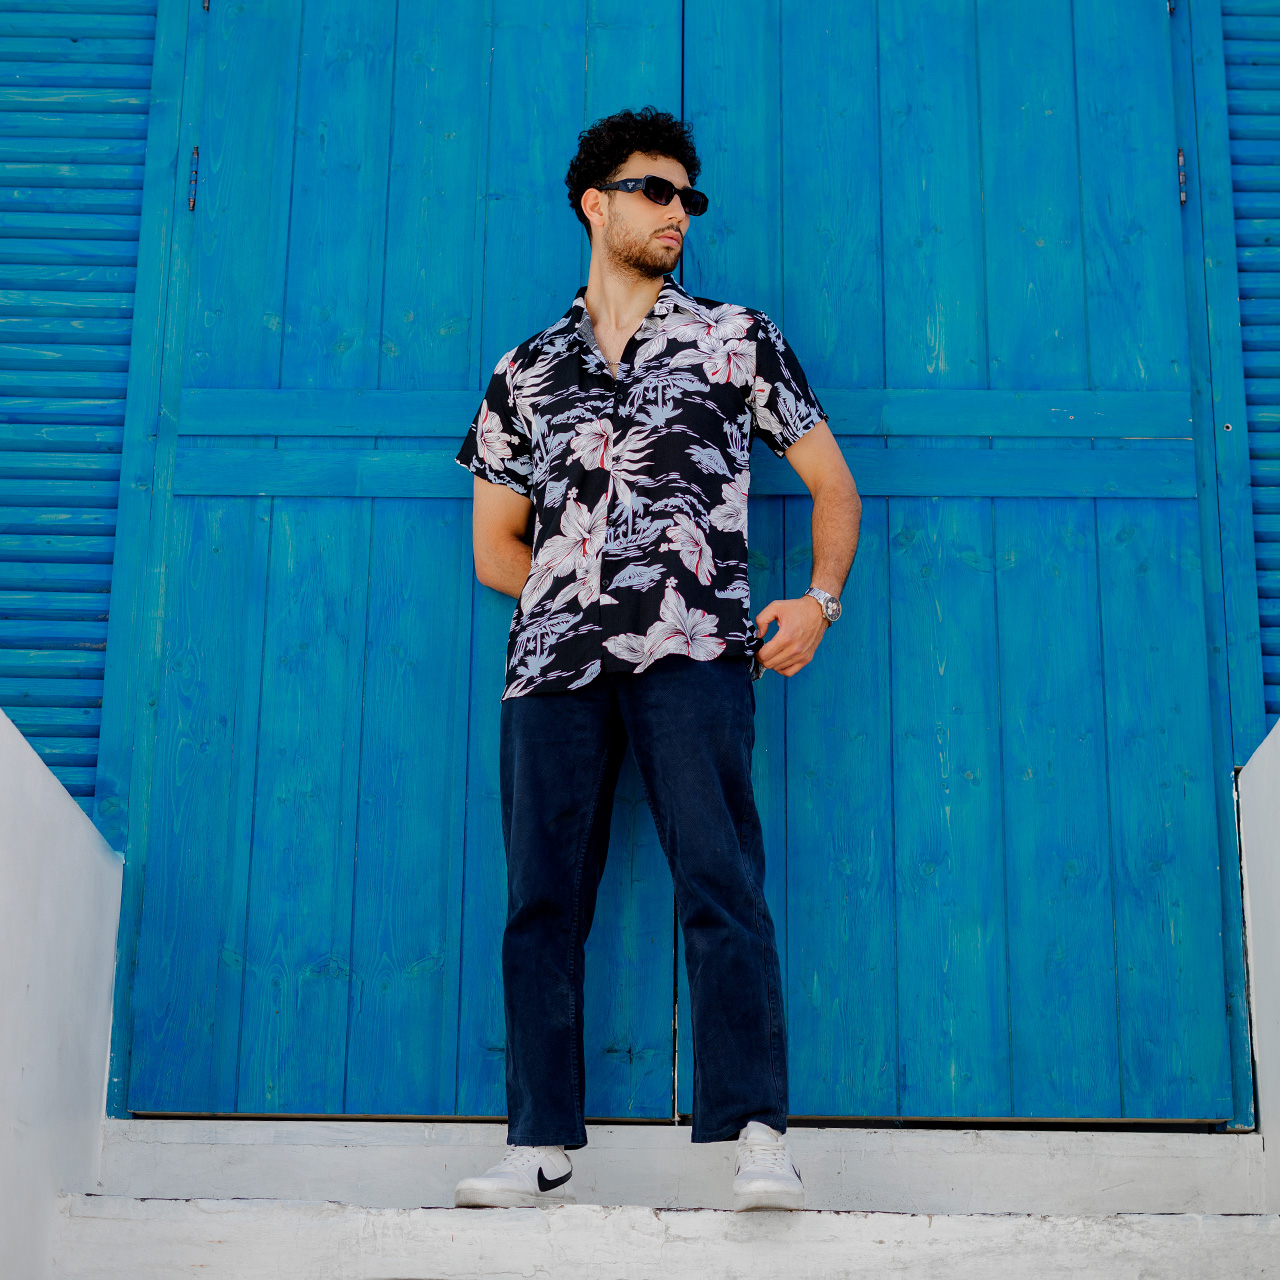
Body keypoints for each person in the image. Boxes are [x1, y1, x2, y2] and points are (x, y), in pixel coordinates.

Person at [451, 106, 861, 1211]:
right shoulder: (525, 369)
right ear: (596, 204)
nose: (679, 211)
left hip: (694, 652)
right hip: (551, 669)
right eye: (656, 190)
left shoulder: (735, 338)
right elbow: (494, 549)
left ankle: (758, 1134)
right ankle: (538, 1140)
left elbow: (834, 487)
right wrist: (580, 584)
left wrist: (819, 602)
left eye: (690, 197)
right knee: (541, 899)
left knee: (719, 881)